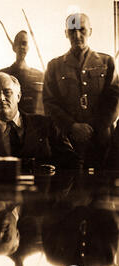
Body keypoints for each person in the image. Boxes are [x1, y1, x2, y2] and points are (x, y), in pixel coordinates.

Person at [43, 13, 119, 168]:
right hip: (67, 143)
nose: (77, 35)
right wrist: (72, 126)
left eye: (81, 29)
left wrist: (93, 128)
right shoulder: (54, 66)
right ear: (66, 33)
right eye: (71, 31)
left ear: (90, 31)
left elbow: (114, 99)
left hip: (101, 142)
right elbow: (49, 103)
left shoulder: (107, 62)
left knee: (102, 188)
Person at [0, 72, 80, 169]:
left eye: (7, 92)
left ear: (18, 96)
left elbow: (72, 162)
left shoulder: (47, 125)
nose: (1, 98)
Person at [0, 30, 44, 121]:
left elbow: (44, 109)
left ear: (28, 48)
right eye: (18, 44)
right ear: (14, 47)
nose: (22, 47)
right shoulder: (0, 76)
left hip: (34, 130)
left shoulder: (40, 76)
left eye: (24, 44)